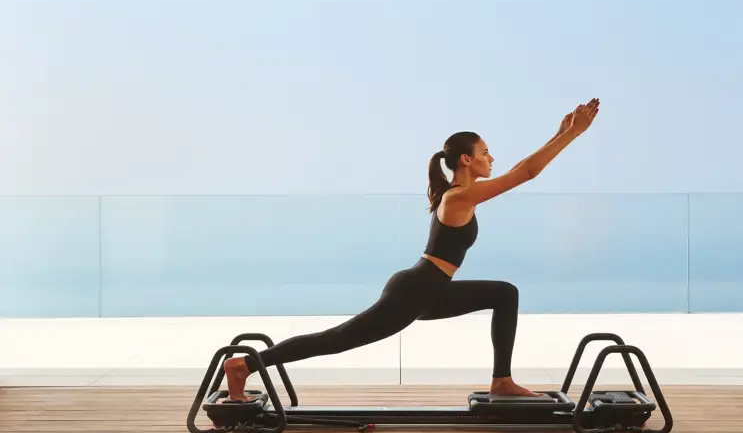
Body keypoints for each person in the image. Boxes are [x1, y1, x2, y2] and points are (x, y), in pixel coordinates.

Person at [223, 98, 600, 401]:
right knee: (337, 339)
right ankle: (245, 365)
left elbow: (520, 168)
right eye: (485, 152)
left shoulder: (460, 195)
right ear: (466, 160)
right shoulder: (459, 197)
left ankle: (501, 380)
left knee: (505, 294)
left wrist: (560, 131)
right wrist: (573, 135)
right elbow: (525, 173)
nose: (491, 158)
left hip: (430, 290)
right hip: (416, 290)